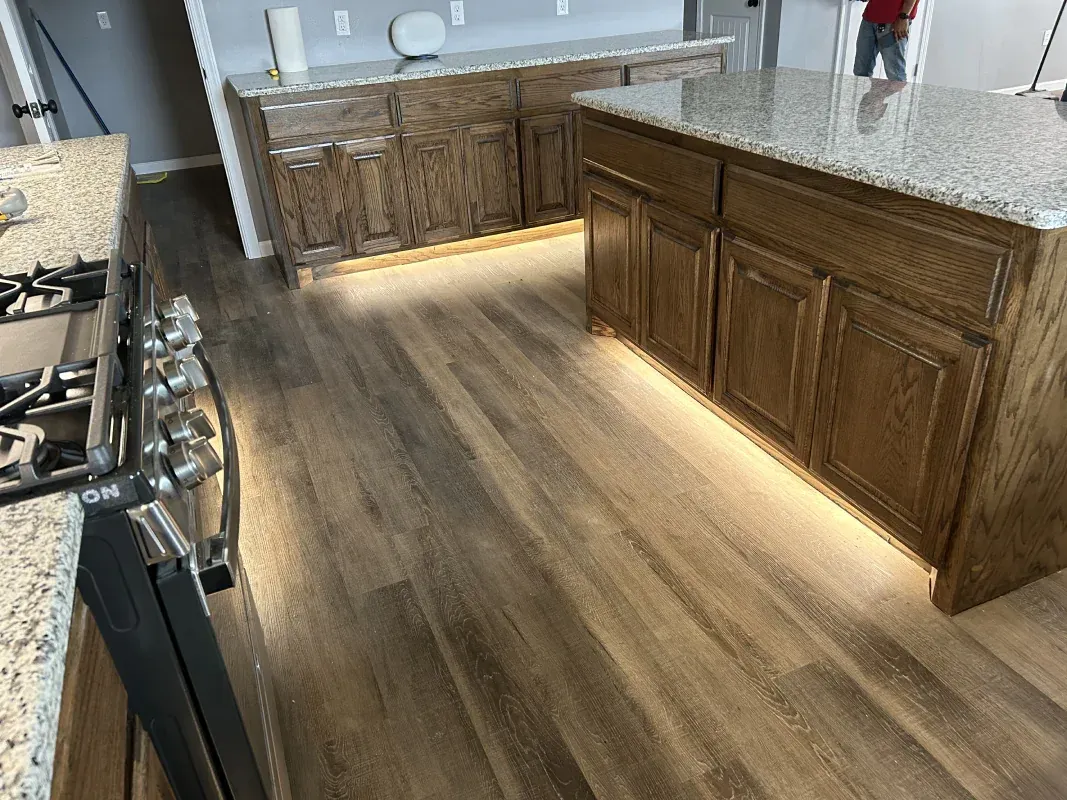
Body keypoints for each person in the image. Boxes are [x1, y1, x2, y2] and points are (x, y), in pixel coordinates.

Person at [853, 0, 920, 82]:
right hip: (870, 18)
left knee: (895, 75)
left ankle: (890, 94)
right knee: (860, 71)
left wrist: (904, 16)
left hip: (894, 22)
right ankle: (869, 95)